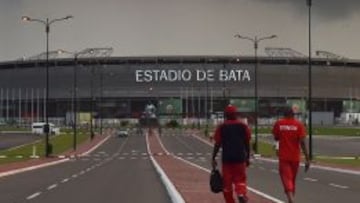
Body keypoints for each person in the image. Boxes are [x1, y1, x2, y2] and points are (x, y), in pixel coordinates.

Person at [211, 105, 251, 203]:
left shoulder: (222, 127)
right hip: (240, 158)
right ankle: (241, 194)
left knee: (227, 184)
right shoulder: (243, 126)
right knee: (240, 180)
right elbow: (247, 143)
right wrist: (248, 157)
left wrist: (213, 157)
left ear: (226, 115)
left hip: (227, 160)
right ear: (236, 114)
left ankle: (230, 201)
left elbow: (217, 143)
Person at [272, 107, 310, 203]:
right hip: (295, 157)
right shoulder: (299, 125)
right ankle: (291, 197)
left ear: (284, 114)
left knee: (286, 178)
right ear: (293, 115)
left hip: (284, 156)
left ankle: (290, 199)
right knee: (292, 179)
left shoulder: (279, 124)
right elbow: (302, 142)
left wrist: (277, 147)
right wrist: (307, 158)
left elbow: (276, 137)